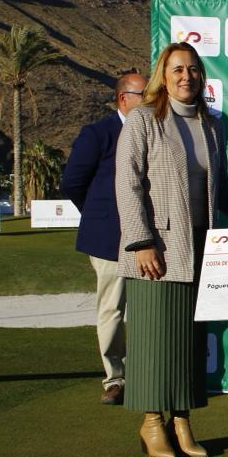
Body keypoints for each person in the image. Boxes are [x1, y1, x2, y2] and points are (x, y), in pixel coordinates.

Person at [115, 42, 228, 457]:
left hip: (201, 245)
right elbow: (128, 184)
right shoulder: (143, 120)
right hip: (157, 247)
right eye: (178, 69)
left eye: (194, 69)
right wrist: (142, 241)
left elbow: (217, 189)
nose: (187, 77)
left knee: (189, 340)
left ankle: (182, 421)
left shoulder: (213, 125)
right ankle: (151, 423)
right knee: (153, 339)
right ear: (163, 74)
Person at [61, 69, 147, 406]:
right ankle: (115, 379)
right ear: (124, 98)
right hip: (108, 237)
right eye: (144, 94)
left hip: (146, 238)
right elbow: (72, 183)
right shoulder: (98, 133)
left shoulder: (153, 132)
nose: (151, 99)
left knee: (144, 309)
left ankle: (145, 372)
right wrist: (99, 214)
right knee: (112, 309)